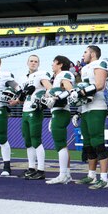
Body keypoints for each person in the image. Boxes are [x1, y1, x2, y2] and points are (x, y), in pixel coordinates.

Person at [71, 45, 108, 189]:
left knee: (97, 141)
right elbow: (83, 91)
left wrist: (81, 93)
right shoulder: (83, 68)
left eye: (86, 51)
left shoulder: (101, 63)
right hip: (86, 108)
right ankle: (91, 175)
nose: (83, 55)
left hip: (97, 107)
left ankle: (104, 178)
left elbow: (100, 85)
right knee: (88, 143)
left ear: (93, 53)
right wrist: (78, 110)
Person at [10, 55, 52, 180]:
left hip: (35, 110)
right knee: (28, 141)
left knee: (36, 140)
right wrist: (16, 101)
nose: (33, 63)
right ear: (27, 62)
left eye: (36, 61)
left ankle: (41, 169)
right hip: (25, 110)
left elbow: (49, 88)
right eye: (31, 61)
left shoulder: (41, 74)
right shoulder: (24, 78)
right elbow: (24, 99)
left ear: (39, 64)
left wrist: (44, 97)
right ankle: (31, 168)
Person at [42, 55, 75, 184]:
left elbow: (69, 88)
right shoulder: (57, 77)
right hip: (58, 112)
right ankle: (66, 174)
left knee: (60, 144)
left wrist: (56, 98)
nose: (52, 65)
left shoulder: (64, 74)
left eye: (54, 62)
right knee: (63, 145)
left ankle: (62, 175)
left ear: (60, 64)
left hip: (61, 111)